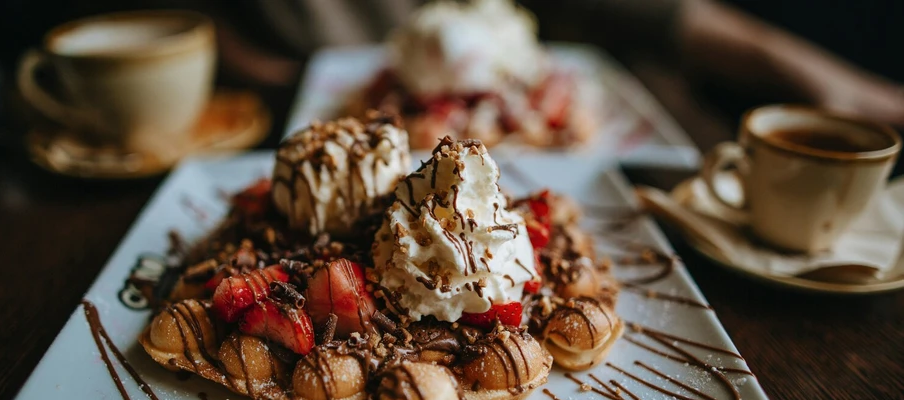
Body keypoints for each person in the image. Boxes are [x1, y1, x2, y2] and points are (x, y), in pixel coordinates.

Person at [186, 0, 904, 127]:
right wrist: (269, 73)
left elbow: (639, 10)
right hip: (297, 95)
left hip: (495, 75)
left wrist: (789, 62)